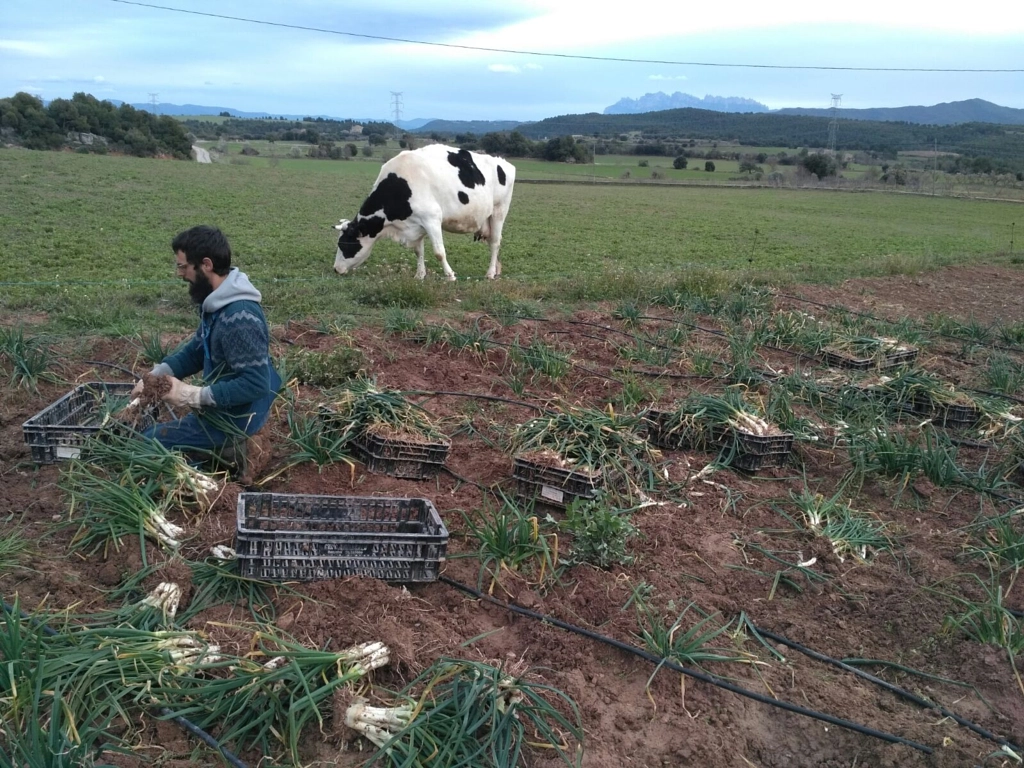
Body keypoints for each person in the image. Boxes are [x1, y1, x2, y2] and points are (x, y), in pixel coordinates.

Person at [136, 225, 281, 464]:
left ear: (206, 265)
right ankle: (217, 450)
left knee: (148, 442)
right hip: (228, 406)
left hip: (237, 416)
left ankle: (233, 447)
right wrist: (155, 376)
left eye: (183, 266)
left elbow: (256, 384)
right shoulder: (218, 304)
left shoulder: (240, 317)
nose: (179, 274)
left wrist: (193, 395)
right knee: (155, 440)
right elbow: (196, 352)